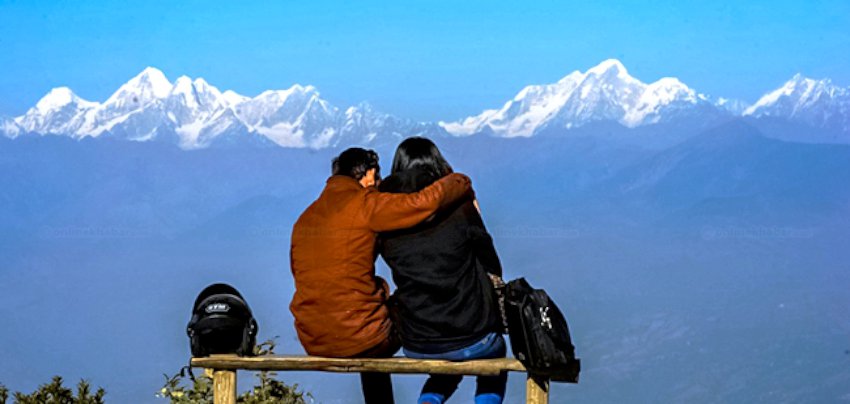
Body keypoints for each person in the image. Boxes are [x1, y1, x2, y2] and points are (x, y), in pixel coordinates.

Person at [289, 147, 473, 404]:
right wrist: (459, 181)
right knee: (417, 309)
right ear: (369, 175)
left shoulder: (305, 218)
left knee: (368, 324)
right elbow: (422, 204)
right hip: (363, 337)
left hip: (314, 338)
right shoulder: (365, 204)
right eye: (378, 178)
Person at [378, 137, 507, 404]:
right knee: (492, 358)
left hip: (416, 340)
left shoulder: (385, 215)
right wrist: (475, 214)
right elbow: (491, 263)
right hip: (473, 336)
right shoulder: (458, 207)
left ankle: (428, 401)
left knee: (446, 362)